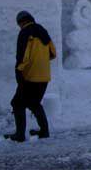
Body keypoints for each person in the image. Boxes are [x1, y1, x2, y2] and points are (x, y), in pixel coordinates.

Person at [4, 11, 56, 142]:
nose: (19, 27)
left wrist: (19, 71)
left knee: (17, 103)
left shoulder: (25, 33)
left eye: (19, 24)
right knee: (34, 103)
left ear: (22, 22)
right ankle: (44, 131)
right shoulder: (42, 30)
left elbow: (22, 55)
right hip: (44, 76)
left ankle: (20, 135)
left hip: (30, 76)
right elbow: (53, 52)